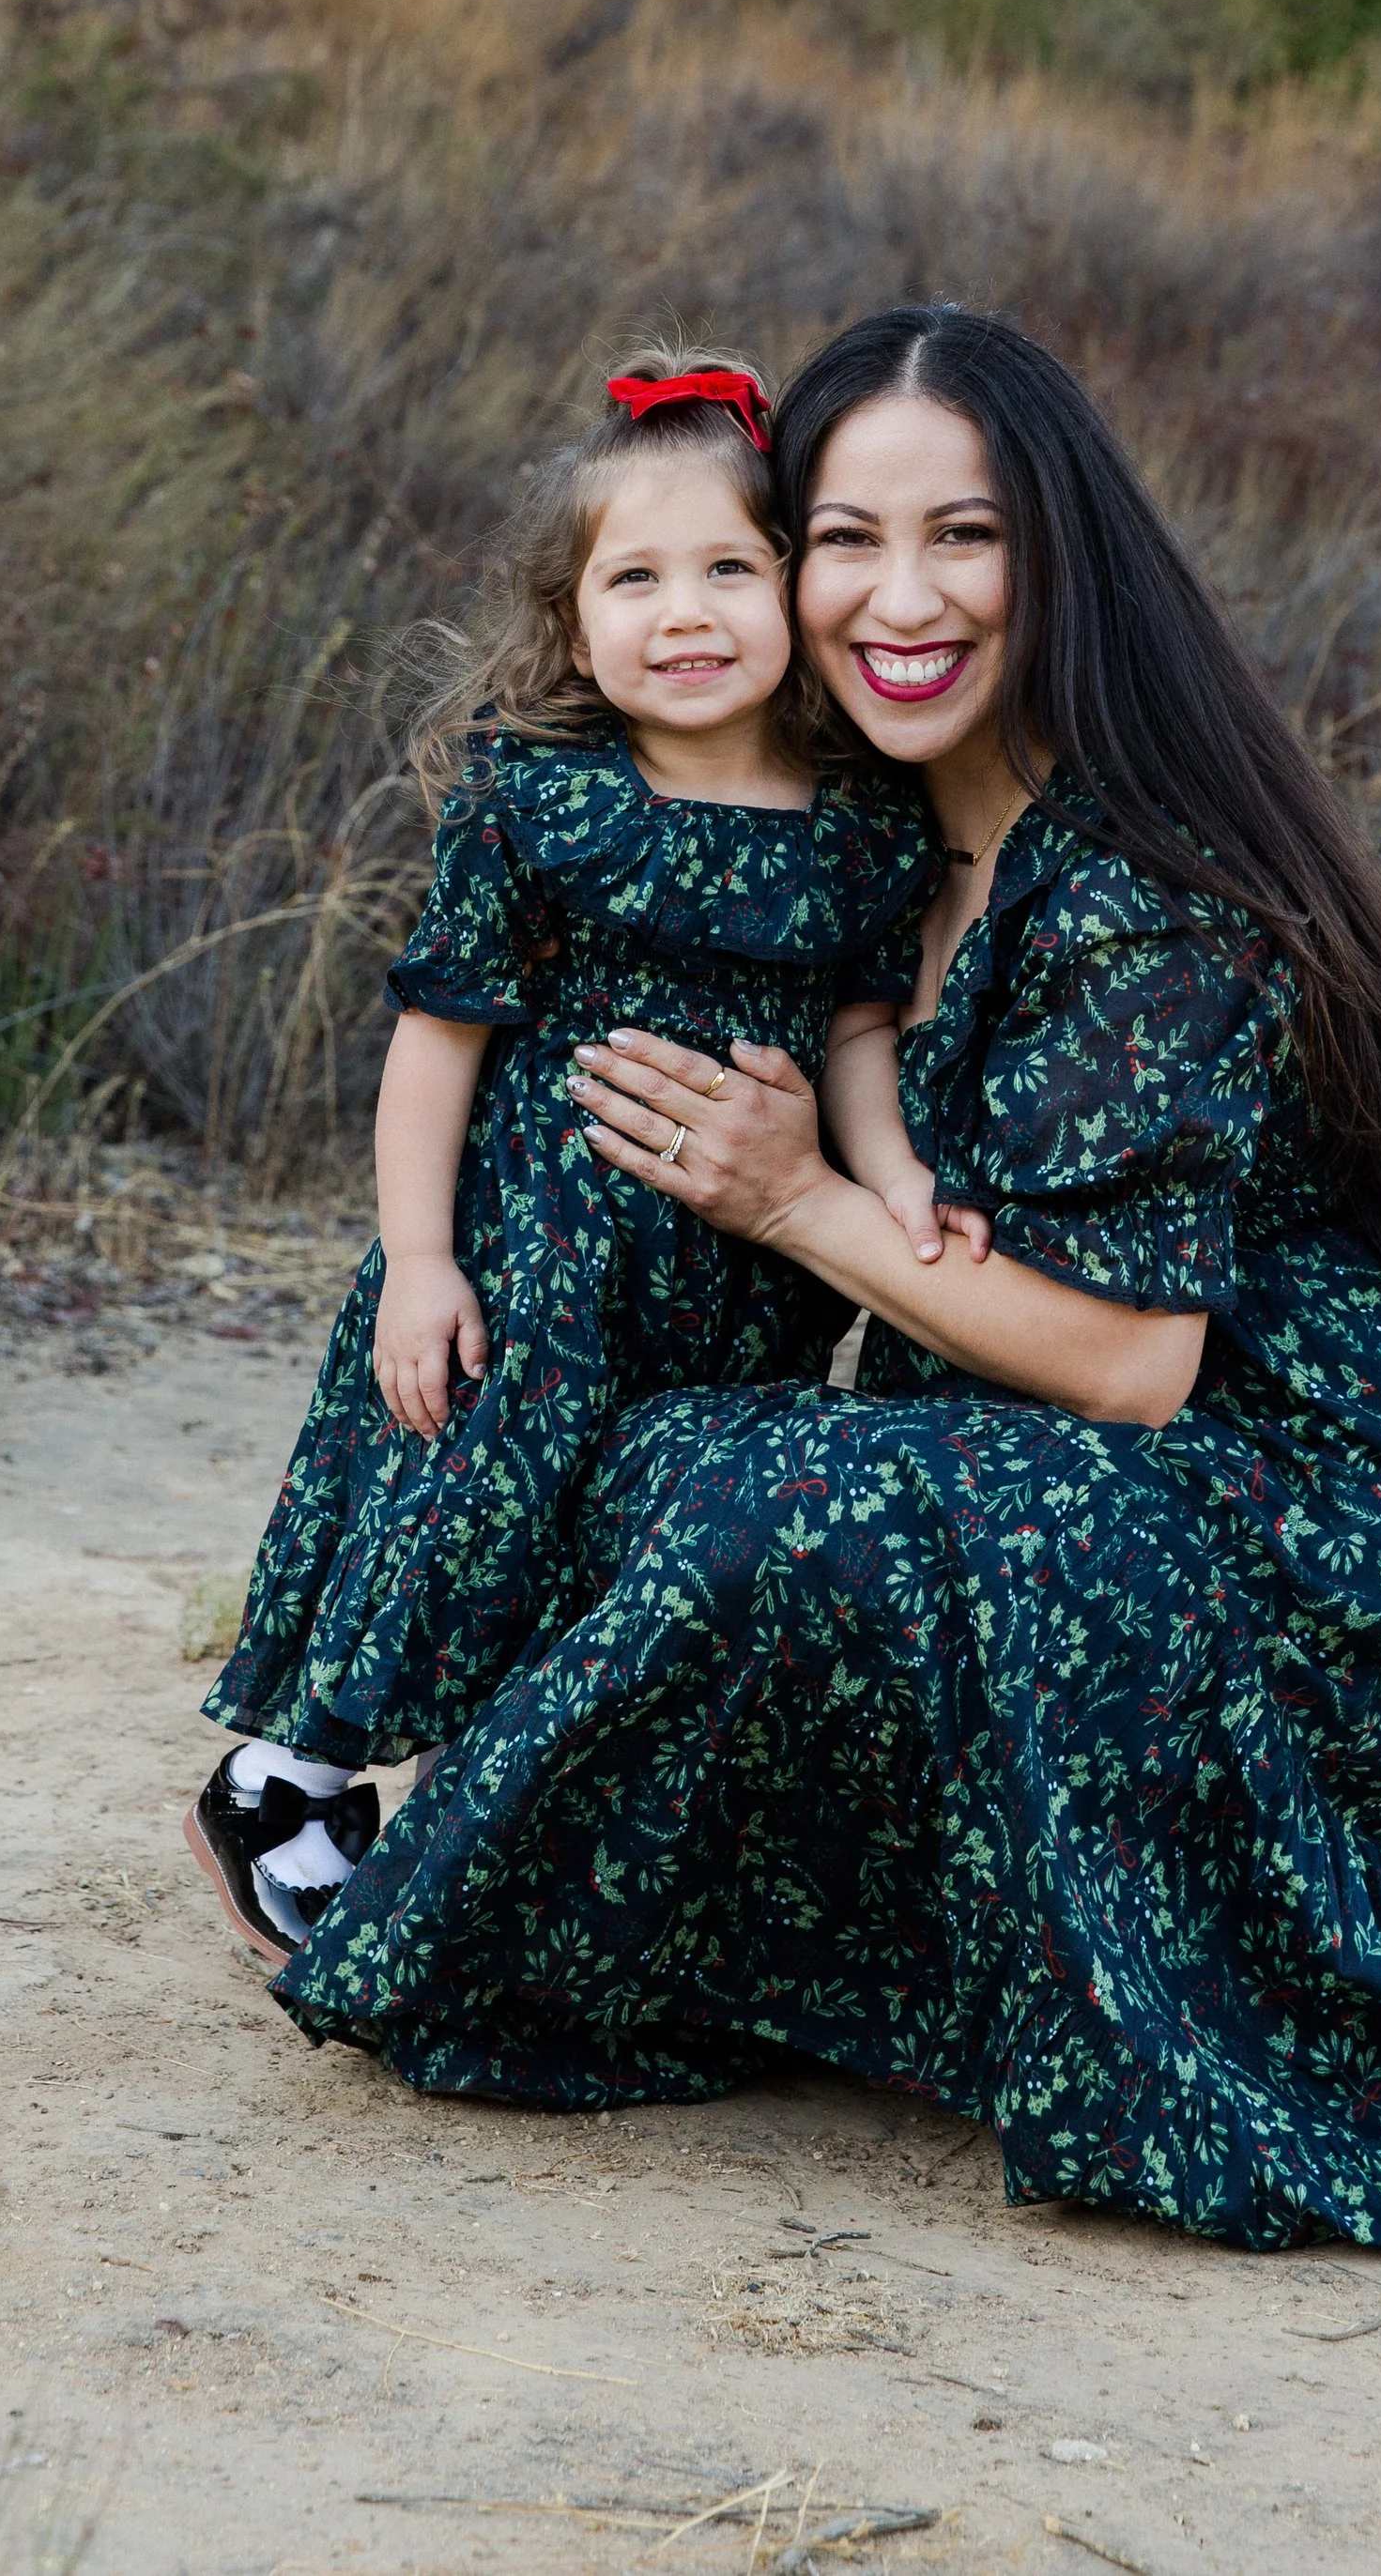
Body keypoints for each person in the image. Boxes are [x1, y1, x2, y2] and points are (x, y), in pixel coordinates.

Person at [264, 304, 1381, 2252]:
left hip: (1346, 1559)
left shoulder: (1139, 886)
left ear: (1061, 553)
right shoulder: (881, 846)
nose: (900, 597)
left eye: (963, 536)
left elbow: (1138, 1368)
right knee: (659, 1453)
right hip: (1101, 1483)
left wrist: (794, 1204)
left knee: (756, 1496)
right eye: (838, 540)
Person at [187, 348, 941, 1961]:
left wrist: (889, 1187)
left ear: (798, 590)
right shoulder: (541, 801)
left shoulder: (863, 820)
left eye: (732, 567)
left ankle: (488, 1828)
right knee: (468, 1515)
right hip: (535, 1264)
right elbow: (437, 1038)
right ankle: (286, 1780)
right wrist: (419, 1256)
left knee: (614, 1551)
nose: (687, 610)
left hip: (738, 1277)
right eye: (638, 576)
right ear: (574, 615)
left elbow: (862, 1030)